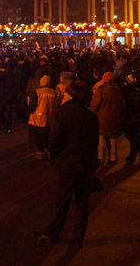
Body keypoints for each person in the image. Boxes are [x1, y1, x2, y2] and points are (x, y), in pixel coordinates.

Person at [37, 83, 100, 248]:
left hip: (67, 165)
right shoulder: (91, 116)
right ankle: (78, 236)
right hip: (85, 165)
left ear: (69, 96)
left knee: (62, 202)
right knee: (82, 203)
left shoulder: (62, 113)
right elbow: (94, 142)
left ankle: (53, 233)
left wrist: (55, 156)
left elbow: (54, 140)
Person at [91, 72, 125, 165]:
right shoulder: (117, 90)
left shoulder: (100, 90)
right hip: (114, 117)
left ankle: (100, 157)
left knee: (101, 138)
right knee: (113, 138)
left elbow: (95, 104)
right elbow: (122, 104)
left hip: (102, 117)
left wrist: (92, 112)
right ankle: (113, 158)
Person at [28, 75, 57, 160]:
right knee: (48, 137)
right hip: (50, 119)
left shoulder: (37, 92)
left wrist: (28, 113)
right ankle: (49, 152)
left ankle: (40, 153)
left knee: (39, 137)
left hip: (38, 119)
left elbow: (32, 107)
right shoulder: (54, 92)